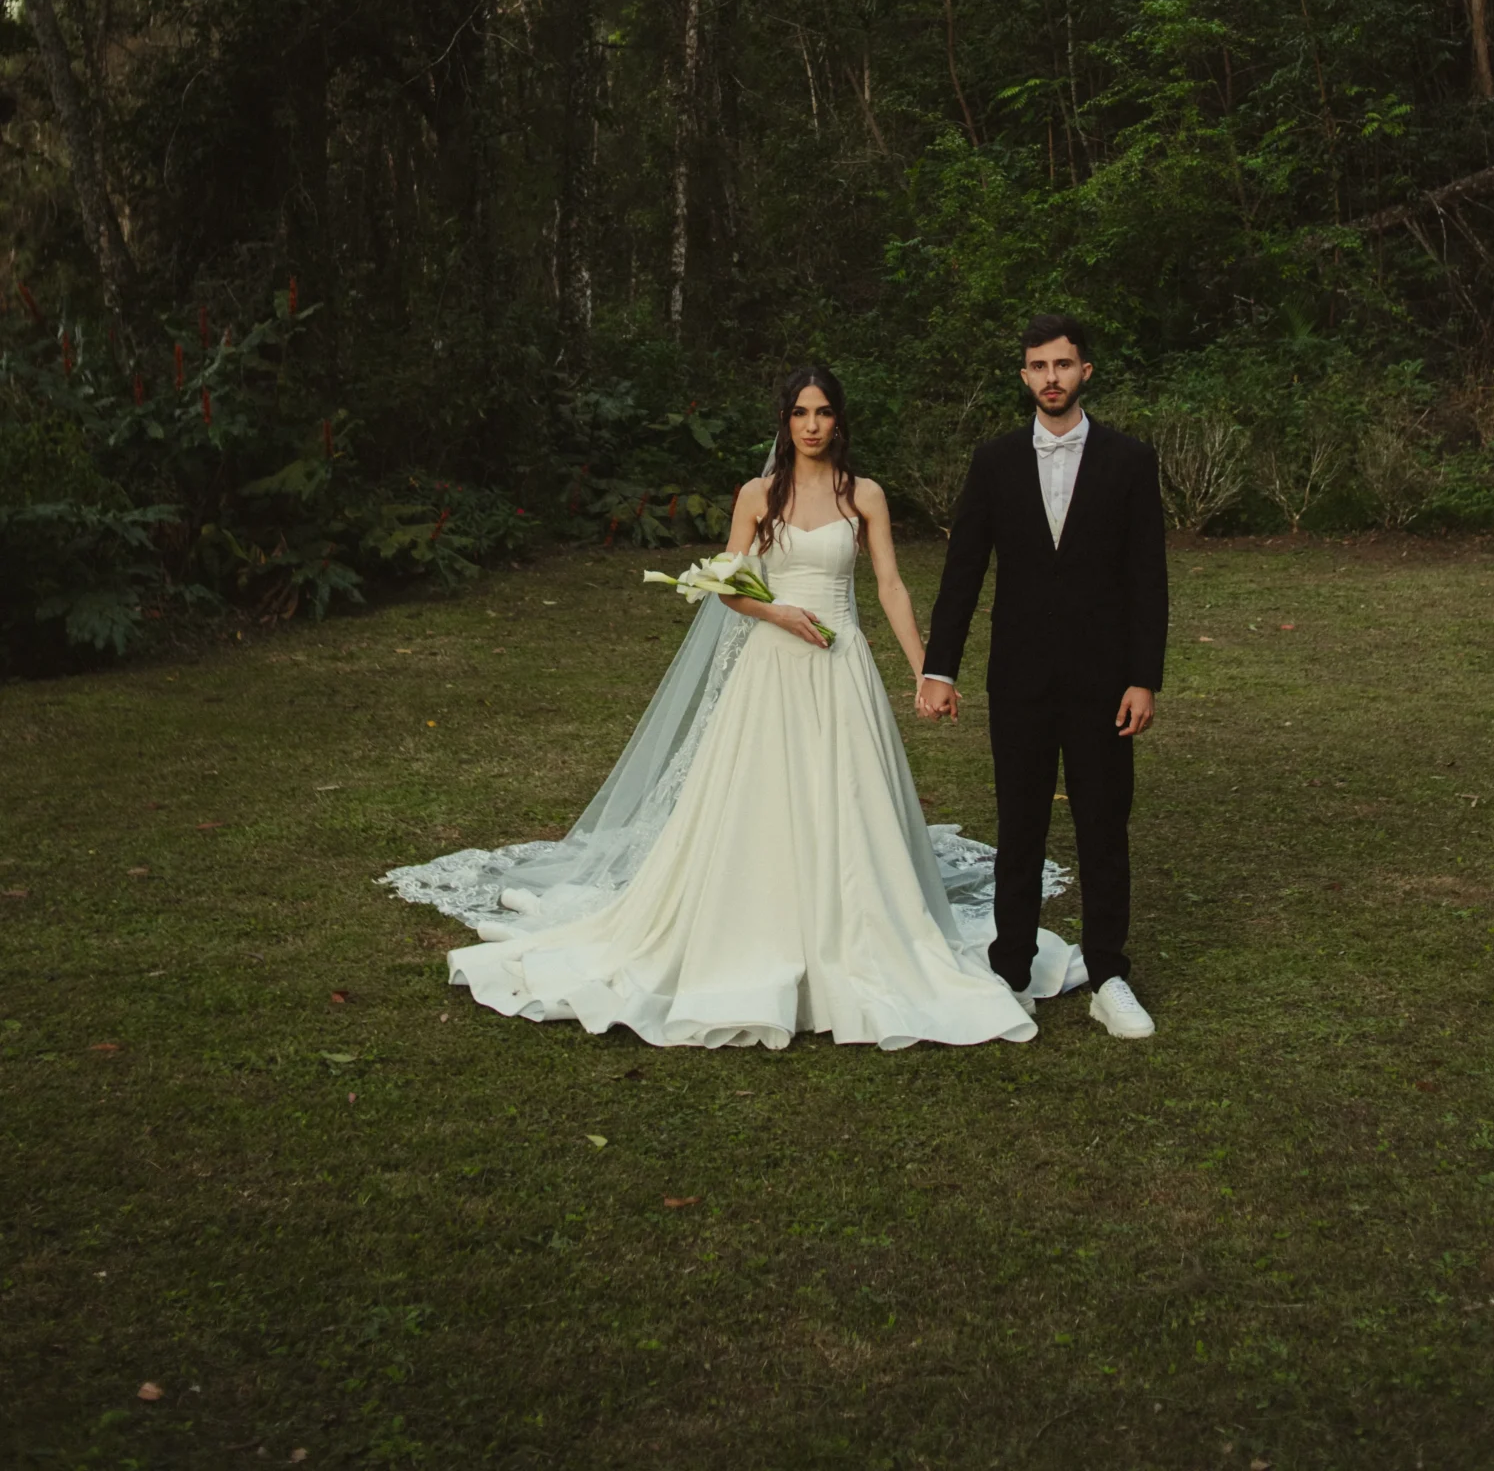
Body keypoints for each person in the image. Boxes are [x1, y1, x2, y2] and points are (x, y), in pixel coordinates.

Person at [384, 364, 1082, 1049]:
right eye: (800, 413)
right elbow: (726, 585)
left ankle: (852, 929)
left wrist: (926, 671)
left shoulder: (864, 494)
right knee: (760, 799)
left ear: (839, 421)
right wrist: (776, 613)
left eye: (823, 412)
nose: (812, 425)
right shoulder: (756, 494)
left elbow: (891, 586)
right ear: (785, 421)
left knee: (847, 796)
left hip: (841, 666)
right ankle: (759, 926)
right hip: (771, 667)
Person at [917, 313, 1169, 1040]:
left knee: (1103, 825)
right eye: (1038, 366)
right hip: (1019, 678)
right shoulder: (994, 461)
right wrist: (940, 668)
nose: (1050, 378)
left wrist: (1143, 677)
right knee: (1020, 825)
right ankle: (1012, 973)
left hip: (1104, 681)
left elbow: (1147, 579)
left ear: (1084, 370)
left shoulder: (1129, 460)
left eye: (1062, 364)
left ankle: (1109, 975)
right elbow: (963, 571)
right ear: (1024, 374)